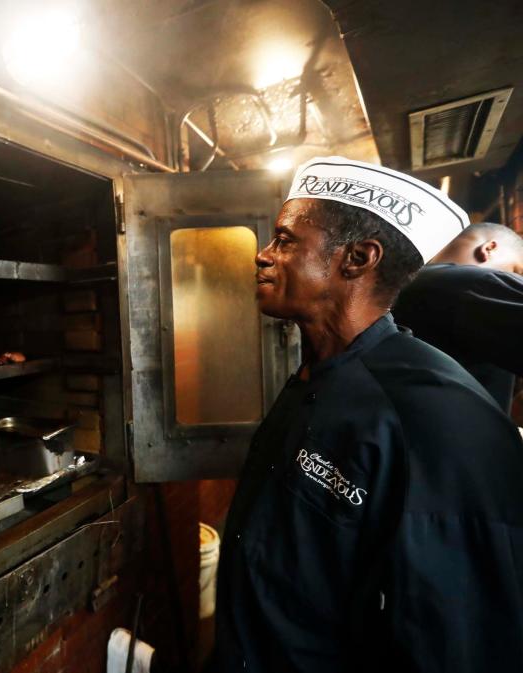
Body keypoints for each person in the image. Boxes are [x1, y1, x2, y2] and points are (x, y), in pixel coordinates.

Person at [213, 157, 523, 672]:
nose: (263, 257)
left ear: (357, 258)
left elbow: (456, 637)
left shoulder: (432, 417)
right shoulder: (316, 378)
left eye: (286, 241)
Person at [393, 223, 523, 413]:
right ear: (489, 248)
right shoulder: (475, 284)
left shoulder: (401, 289)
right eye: (517, 271)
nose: (516, 280)